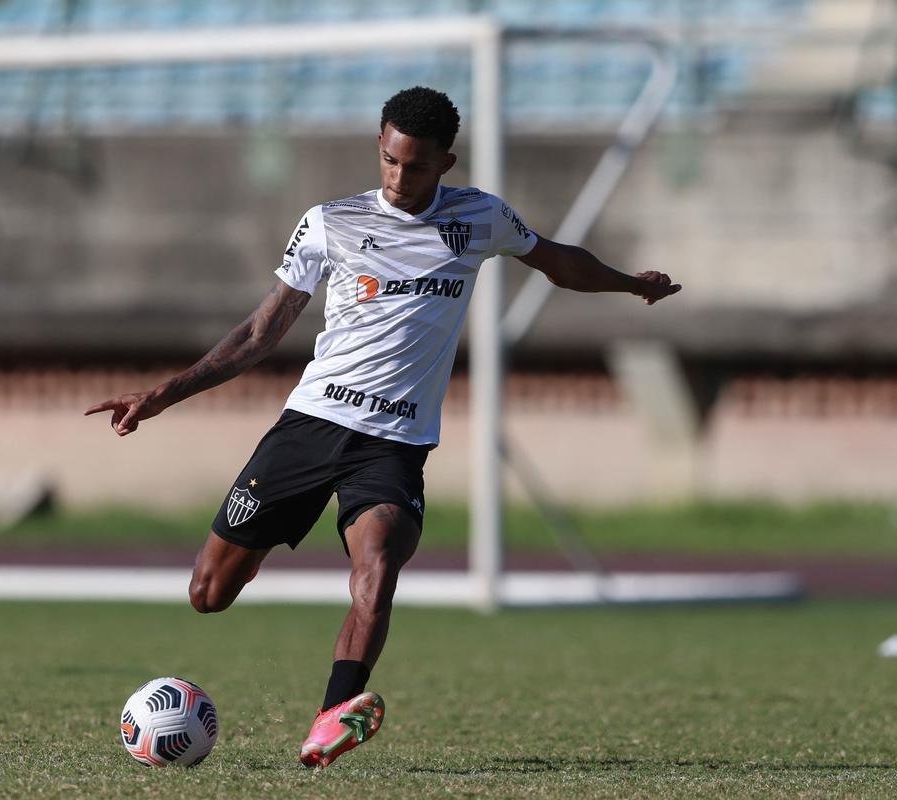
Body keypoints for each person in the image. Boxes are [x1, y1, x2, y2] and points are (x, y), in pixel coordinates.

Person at [85, 86, 681, 768]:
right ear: (379, 145)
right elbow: (258, 332)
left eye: (417, 166)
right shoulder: (330, 222)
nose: (400, 179)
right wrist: (167, 393)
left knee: (378, 565)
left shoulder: (478, 219)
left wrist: (630, 284)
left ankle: (331, 716)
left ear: (445, 162)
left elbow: (558, 262)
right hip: (310, 426)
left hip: (393, 446)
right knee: (208, 594)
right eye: (391, 161)